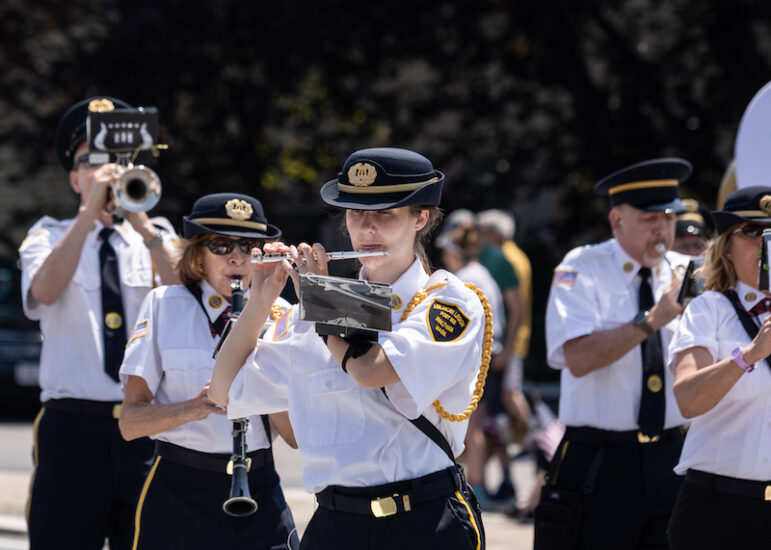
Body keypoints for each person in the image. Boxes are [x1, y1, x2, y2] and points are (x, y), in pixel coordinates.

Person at [210, 147, 488, 550]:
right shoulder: (317, 304)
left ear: (421, 218)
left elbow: (370, 370)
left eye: (384, 215)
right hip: (336, 525)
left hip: (424, 522)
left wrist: (318, 296)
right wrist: (260, 298)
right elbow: (222, 389)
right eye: (357, 215)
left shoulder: (447, 300)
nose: (367, 230)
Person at [18, 96, 179, 550]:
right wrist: (89, 214)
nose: (105, 172)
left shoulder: (157, 235)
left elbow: (186, 292)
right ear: (74, 177)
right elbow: (45, 291)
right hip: (72, 427)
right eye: (92, 161)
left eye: (116, 161)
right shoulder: (48, 234)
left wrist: (141, 221)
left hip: (146, 424)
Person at [118, 193, 299, 549]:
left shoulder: (281, 313)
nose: (235, 256)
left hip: (260, 486)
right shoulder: (164, 305)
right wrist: (193, 407)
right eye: (220, 244)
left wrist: (260, 384)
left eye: (248, 246)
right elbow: (130, 423)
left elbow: (296, 437)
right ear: (198, 255)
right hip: (178, 492)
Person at [537, 158, 692, 550]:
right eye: (649, 219)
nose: (662, 230)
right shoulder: (582, 267)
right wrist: (654, 318)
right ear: (617, 222)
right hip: (603, 460)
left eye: (670, 218)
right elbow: (578, 358)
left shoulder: (685, 271)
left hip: (671, 452)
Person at [666, 186, 771, 549]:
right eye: (754, 232)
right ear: (727, 245)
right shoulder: (708, 308)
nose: (765, 244)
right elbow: (688, 400)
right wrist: (749, 355)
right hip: (719, 507)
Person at [437, 216, 511, 508]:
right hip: (488, 355)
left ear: (454, 251)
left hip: (480, 359)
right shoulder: (479, 273)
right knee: (478, 426)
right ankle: (477, 485)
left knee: (474, 429)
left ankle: (476, 488)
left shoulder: (467, 278)